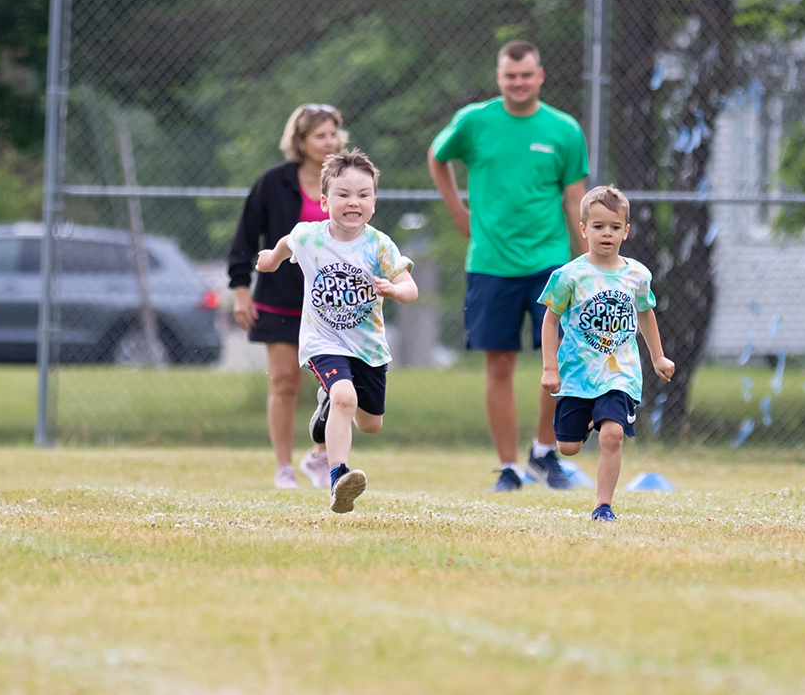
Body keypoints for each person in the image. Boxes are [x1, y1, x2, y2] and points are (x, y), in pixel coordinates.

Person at [427, 40, 590, 492]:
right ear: (499, 78)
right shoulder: (475, 121)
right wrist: (459, 212)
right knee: (498, 366)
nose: (518, 83)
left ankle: (543, 454)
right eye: (509, 76)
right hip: (491, 264)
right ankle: (508, 469)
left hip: (549, 265)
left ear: (540, 76)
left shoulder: (564, 129)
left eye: (526, 75)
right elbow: (438, 157)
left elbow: (576, 197)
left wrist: (585, 261)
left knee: (557, 362)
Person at [256, 149, 417, 513]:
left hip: (369, 348)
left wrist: (396, 290)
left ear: (374, 201)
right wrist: (270, 260)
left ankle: (327, 407)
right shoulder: (310, 237)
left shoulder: (379, 245)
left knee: (371, 423)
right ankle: (337, 477)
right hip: (322, 341)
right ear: (325, 200)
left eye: (363, 194)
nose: (353, 202)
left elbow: (410, 287)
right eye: (343, 195)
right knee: (346, 396)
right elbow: (285, 244)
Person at [539, 185, 675, 520]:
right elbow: (549, 321)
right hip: (577, 374)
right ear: (583, 229)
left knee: (613, 435)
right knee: (568, 448)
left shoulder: (637, 275)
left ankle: (603, 506)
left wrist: (658, 356)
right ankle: (585, 420)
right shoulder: (569, 276)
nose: (606, 234)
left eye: (615, 227)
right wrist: (549, 367)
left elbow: (645, 313)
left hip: (620, 373)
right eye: (598, 226)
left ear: (626, 231)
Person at [229, 104, 344, 489]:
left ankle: (321, 457)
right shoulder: (274, 183)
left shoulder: (347, 180)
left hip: (332, 302)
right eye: (320, 136)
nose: (330, 143)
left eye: (333, 134)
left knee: (338, 385)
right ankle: (283, 467)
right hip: (281, 299)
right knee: (284, 382)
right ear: (300, 142)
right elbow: (245, 239)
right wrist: (241, 291)